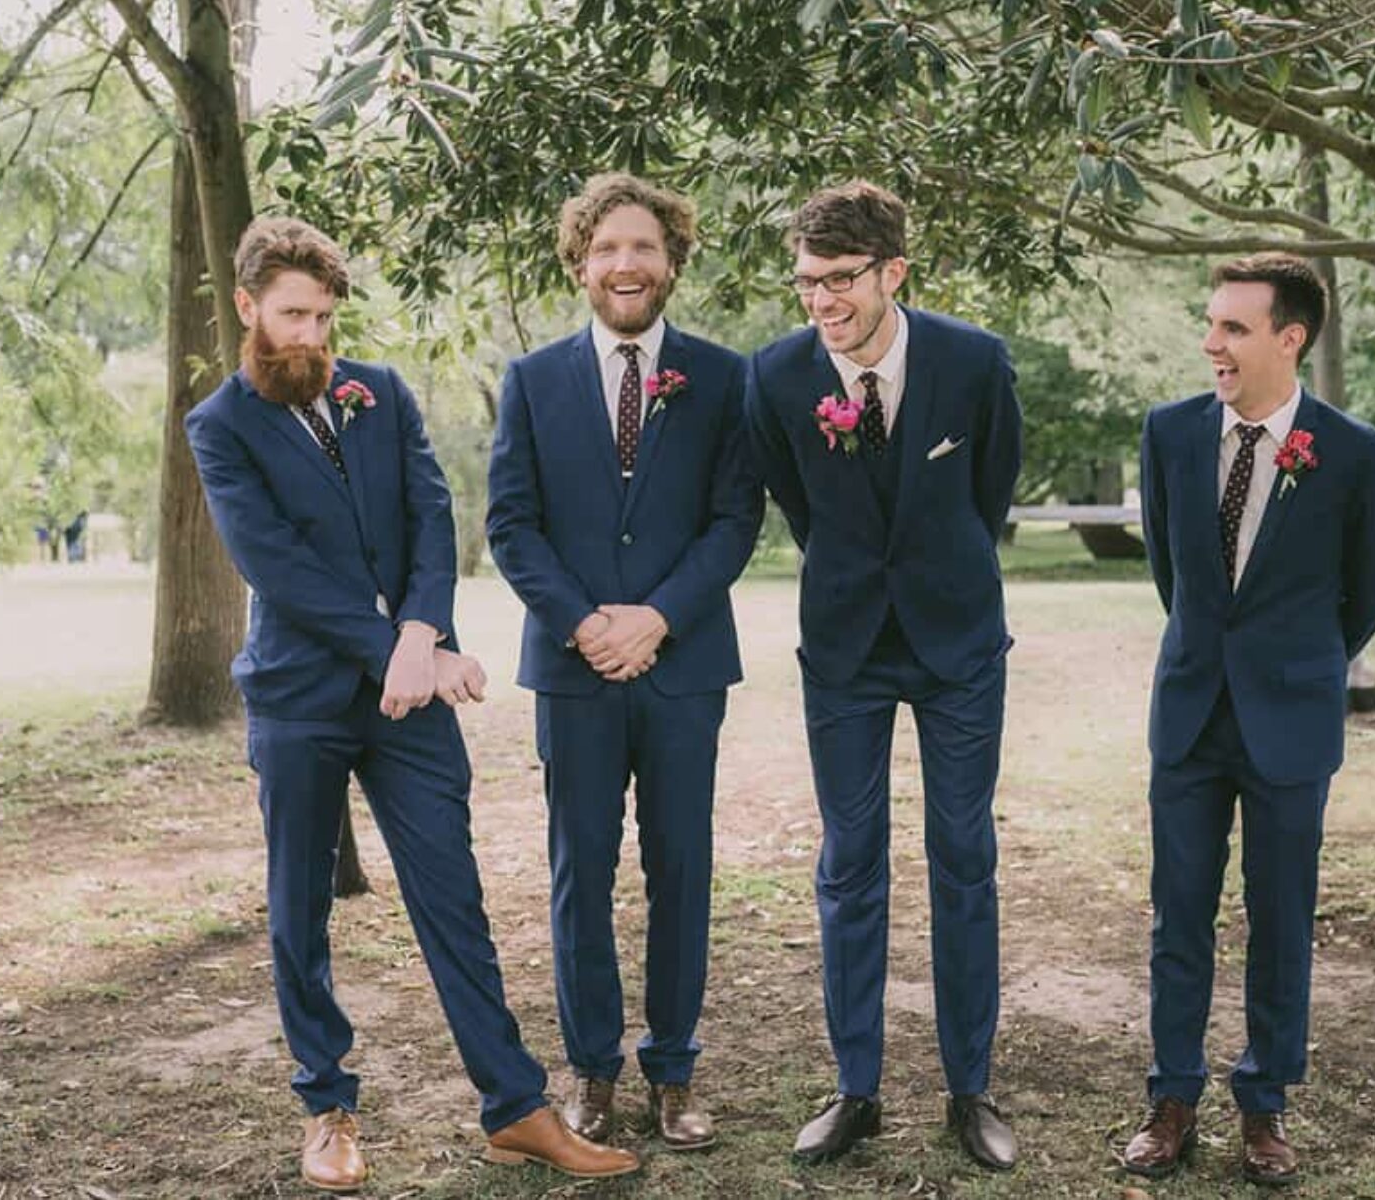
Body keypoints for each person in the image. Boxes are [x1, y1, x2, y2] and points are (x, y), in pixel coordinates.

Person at [185, 216, 639, 1192]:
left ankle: (515, 1108)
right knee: (299, 909)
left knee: (454, 899)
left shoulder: (381, 394)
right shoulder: (218, 425)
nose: (309, 334)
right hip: (299, 700)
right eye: (291, 314)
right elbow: (276, 565)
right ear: (248, 307)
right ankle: (327, 1106)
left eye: (322, 316)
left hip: (412, 698)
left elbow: (434, 517)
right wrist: (393, 644)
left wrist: (425, 636)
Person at [745, 181, 1023, 1171]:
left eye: (840, 280)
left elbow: (991, 487)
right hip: (846, 647)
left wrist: (935, 568)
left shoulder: (974, 361)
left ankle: (970, 1088)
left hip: (958, 646)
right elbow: (797, 503)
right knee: (849, 859)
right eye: (806, 281)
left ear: (893, 272)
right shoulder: (776, 376)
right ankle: (855, 1087)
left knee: (963, 853)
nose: (820, 301)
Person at [486, 173, 763, 1152]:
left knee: (682, 864)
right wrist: (584, 624)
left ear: (673, 260)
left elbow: (738, 518)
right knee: (582, 870)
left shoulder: (727, 379)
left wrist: (658, 617)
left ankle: (675, 1068)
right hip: (574, 672)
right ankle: (593, 1070)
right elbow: (510, 526)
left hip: (684, 669)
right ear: (581, 264)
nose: (625, 264)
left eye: (643, 246)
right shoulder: (531, 380)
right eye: (606, 248)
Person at [1120, 253, 1375, 1187]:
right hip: (1192, 712)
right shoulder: (1167, 434)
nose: (1212, 344)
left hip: (1292, 718)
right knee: (1178, 917)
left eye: (1233, 328)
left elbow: (1373, 585)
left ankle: (1266, 1102)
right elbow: (1172, 572)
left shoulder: (1353, 451)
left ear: (1292, 338)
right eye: (1210, 325)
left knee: (1281, 918)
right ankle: (1171, 1098)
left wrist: (1300, 660)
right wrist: (1217, 648)